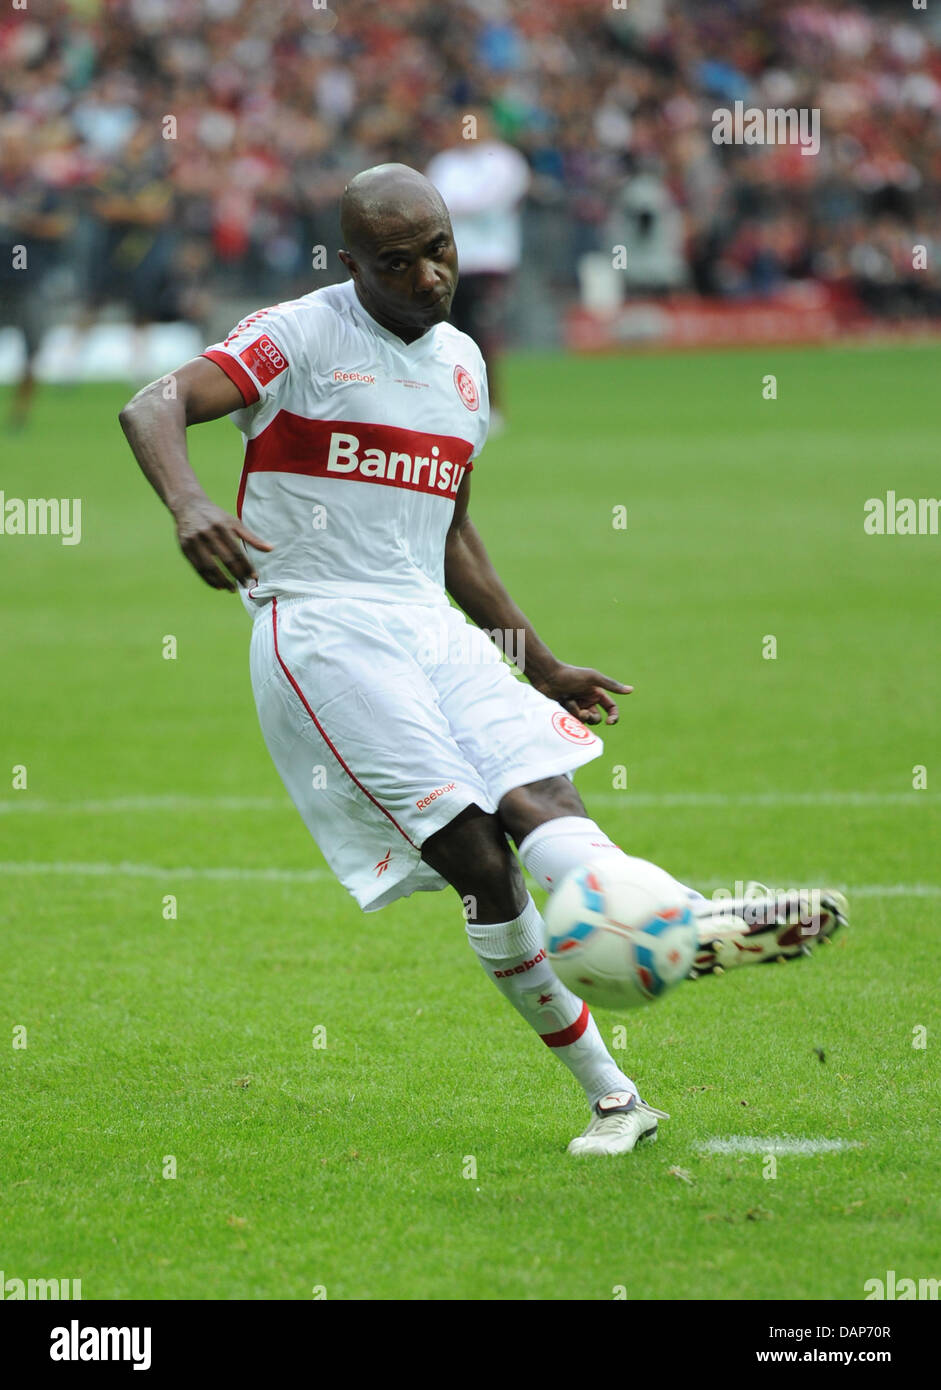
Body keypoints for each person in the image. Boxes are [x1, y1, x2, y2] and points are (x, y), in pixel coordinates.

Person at [118, 164, 846, 1157]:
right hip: (323, 630)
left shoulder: (461, 362)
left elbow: (450, 533)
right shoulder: (297, 335)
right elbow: (151, 404)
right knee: (479, 859)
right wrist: (190, 502)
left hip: (431, 625)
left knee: (547, 802)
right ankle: (613, 1092)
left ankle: (667, 925)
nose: (426, 275)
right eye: (396, 261)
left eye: (439, 250)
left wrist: (538, 662)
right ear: (350, 264)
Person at [426, 110, 530, 429]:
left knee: (482, 335)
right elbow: (431, 204)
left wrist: (455, 206)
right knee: (442, 335)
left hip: (490, 262)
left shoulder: (505, 161)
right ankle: (447, 405)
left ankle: (489, 406)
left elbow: (485, 202)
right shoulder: (444, 163)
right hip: (449, 262)